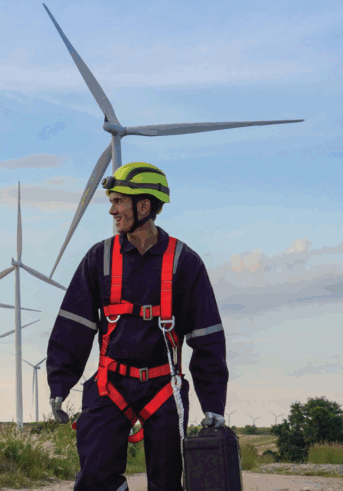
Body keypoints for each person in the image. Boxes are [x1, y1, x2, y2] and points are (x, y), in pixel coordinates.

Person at [46, 162, 229, 491]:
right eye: (112, 201)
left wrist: (214, 403)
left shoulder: (185, 263)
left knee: (167, 483)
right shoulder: (98, 258)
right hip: (109, 384)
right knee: (93, 481)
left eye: (118, 201)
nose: (112, 210)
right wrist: (59, 384)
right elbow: (72, 327)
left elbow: (207, 338)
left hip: (164, 388)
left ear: (144, 205)